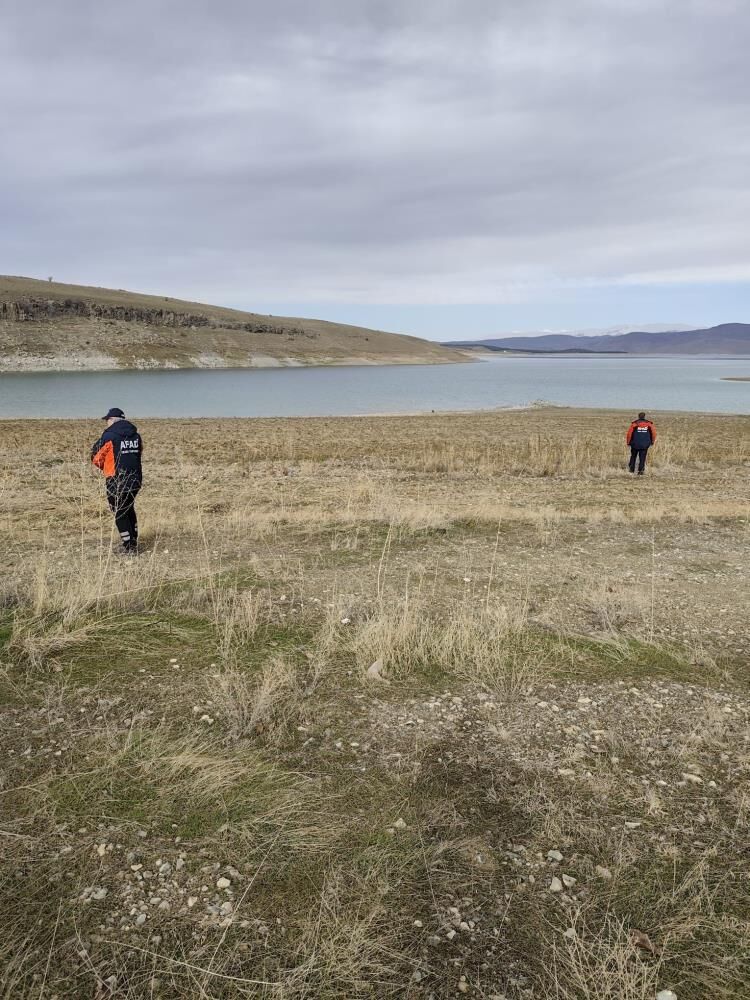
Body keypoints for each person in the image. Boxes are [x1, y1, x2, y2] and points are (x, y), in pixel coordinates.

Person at [91, 407, 143, 553]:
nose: (106, 422)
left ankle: (129, 546)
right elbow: (138, 454)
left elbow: (96, 458)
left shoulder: (109, 436)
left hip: (116, 480)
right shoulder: (136, 436)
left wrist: (107, 468)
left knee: (119, 512)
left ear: (112, 420)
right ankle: (133, 540)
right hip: (135, 479)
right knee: (129, 508)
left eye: (107, 420)